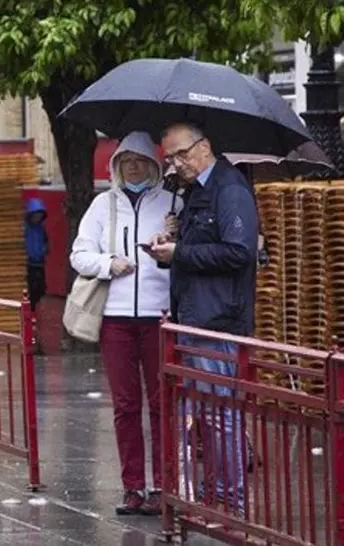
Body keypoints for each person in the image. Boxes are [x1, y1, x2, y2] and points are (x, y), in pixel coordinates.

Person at [147, 122, 258, 514]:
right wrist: (171, 242)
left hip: (218, 319)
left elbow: (239, 252)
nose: (177, 164)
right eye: (170, 158)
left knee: (220, 414)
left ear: (205, 146)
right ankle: (215, 497)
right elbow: (201, 249)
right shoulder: (194, 192)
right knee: (208, 415)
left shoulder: (229, 189)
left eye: (182, 154)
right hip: (194, 316)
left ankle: (230, 502)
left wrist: (179, 253)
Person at [70, 131, 180, 516]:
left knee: (162, 404)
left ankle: (163, 487)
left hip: (159, 316)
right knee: (125, 405)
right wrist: (108, 263)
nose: (133, 168)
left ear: (153, 165)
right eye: (126, 161)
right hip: (115, 319)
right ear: (116, 167)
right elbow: (79, 254)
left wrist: (175, 238)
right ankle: (132, 486)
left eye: (140, 161)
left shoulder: (173, 203)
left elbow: (187, 256)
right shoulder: (103, 205)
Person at [23, 197, 48, 312]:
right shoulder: (25, 228)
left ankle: (33, 309)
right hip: (28, 264)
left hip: (39, 263)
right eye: (36, 215)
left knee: (40, 289)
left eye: (40, 215)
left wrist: (44, 250)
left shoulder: (41, 229)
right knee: (30, 289)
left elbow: (45, 241)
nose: (38, 217)